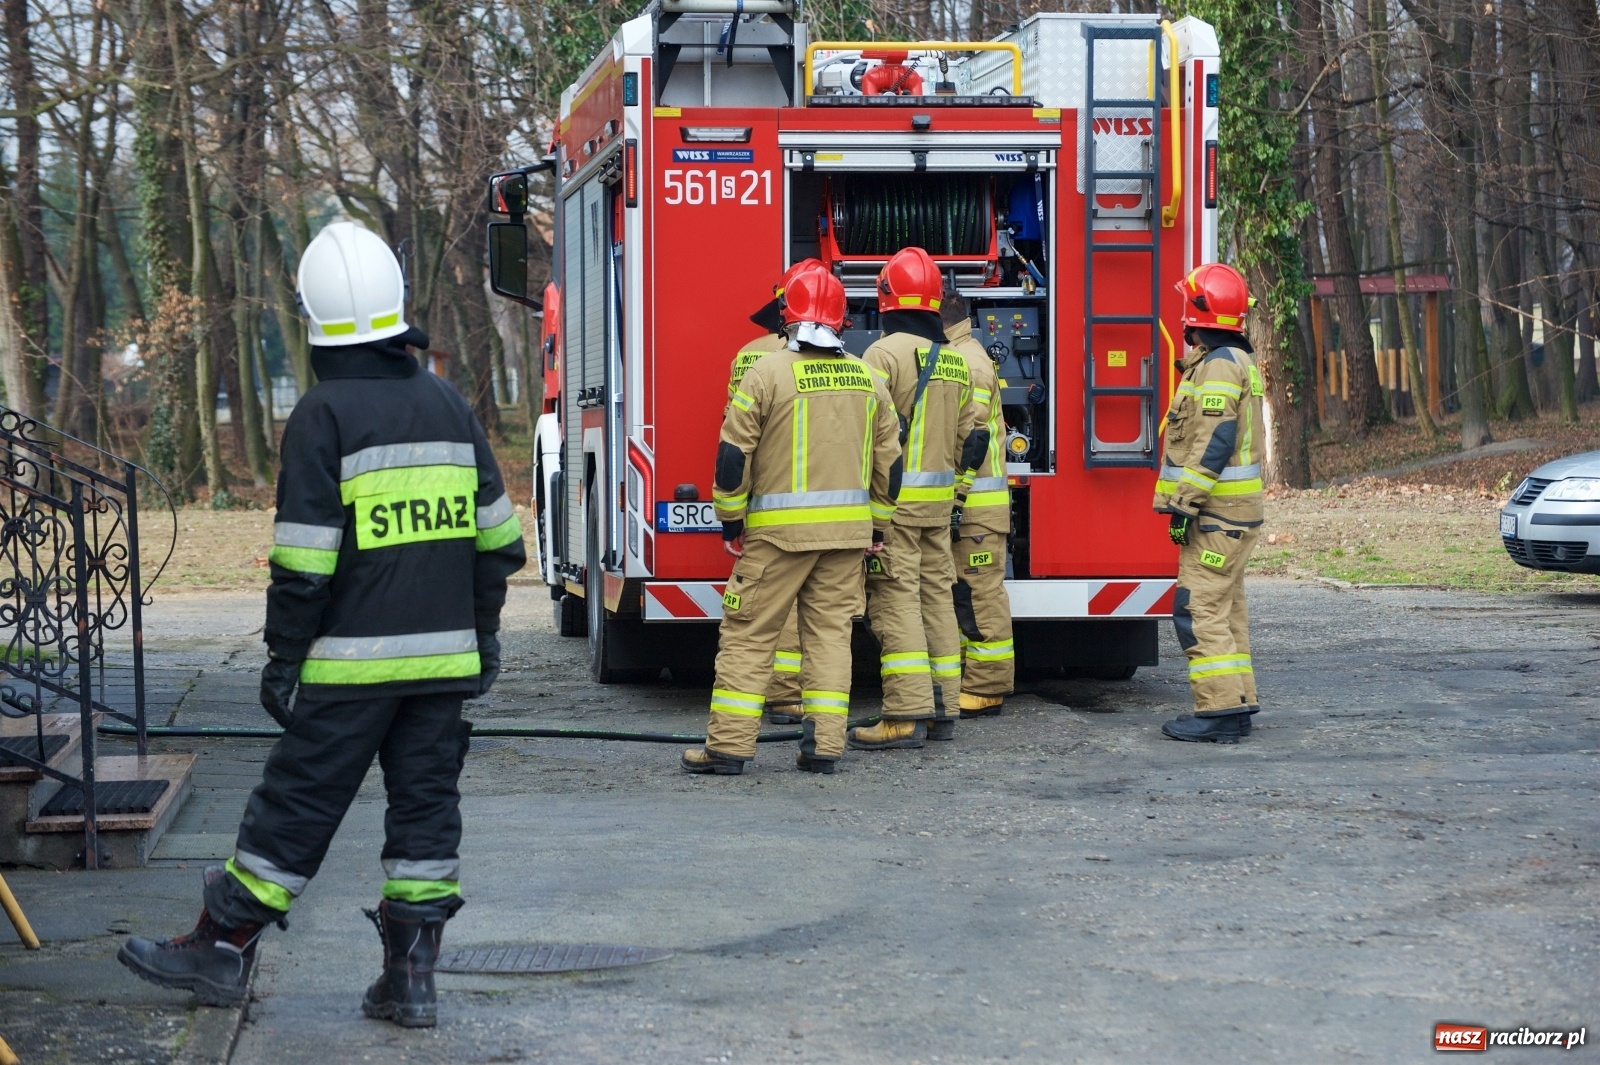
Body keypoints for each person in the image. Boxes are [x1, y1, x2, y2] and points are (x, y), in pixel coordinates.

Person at [118, 221, 526, 1026]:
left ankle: (222, 943)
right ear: (396, 308)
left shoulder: (322, 415)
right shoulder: (450, 404)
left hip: (349, 670)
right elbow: (500, 544)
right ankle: (412, 979)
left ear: (316, 322)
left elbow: (305, 562)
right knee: (425, 815)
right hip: (442, 669)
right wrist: (480, 637)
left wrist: (283, 655)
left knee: (296, 804)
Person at [682, 268, 902, 775]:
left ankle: (729, 748)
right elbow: (890, 463)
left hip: (777, 539)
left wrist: (730, 519)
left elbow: (733, 456)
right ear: (844, 320)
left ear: (787, 316)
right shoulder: (870, 380)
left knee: (749, 634)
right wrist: (878, 526)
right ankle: (824, 747)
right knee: (829, 637)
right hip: (847, 538)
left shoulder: (765, 374)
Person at [849, 248, 988, 751]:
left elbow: (869, 436)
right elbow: (974, 439)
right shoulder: (955, 361)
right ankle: (945, 709)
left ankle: (906, 715)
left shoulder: (881, 357)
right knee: (938, 603)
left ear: (886, 298)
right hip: (937, 508)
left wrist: (870, 512)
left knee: (895, 603)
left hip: (895, 508)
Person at [1153, 262, 1265, 743]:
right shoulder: (1239, 362)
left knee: (1196, 609)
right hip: (1235, 514)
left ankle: (1217, 712)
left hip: (1217, 515)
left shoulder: (1219, 365)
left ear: (1197, 315)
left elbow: (1215, 441)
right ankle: (1237, 705)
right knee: (1226, 610)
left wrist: (1184, 504)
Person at [724, 259, 829, 725]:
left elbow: (733, 441)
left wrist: (733, 512)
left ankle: (777, 699)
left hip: (766, 502)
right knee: (825, 621)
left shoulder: (749, 357)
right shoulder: (847, 366)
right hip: (829, 506)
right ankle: (817, 723)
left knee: (765, 612)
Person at [941, 289, 1014, 716]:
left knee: (980, 597)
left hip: (976, 509)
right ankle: (976, 679)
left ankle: (987, 686)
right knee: (965, 596)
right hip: (974, 507)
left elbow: (974, 437)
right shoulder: (965, 354)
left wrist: (956, 498)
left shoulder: (967, 362)